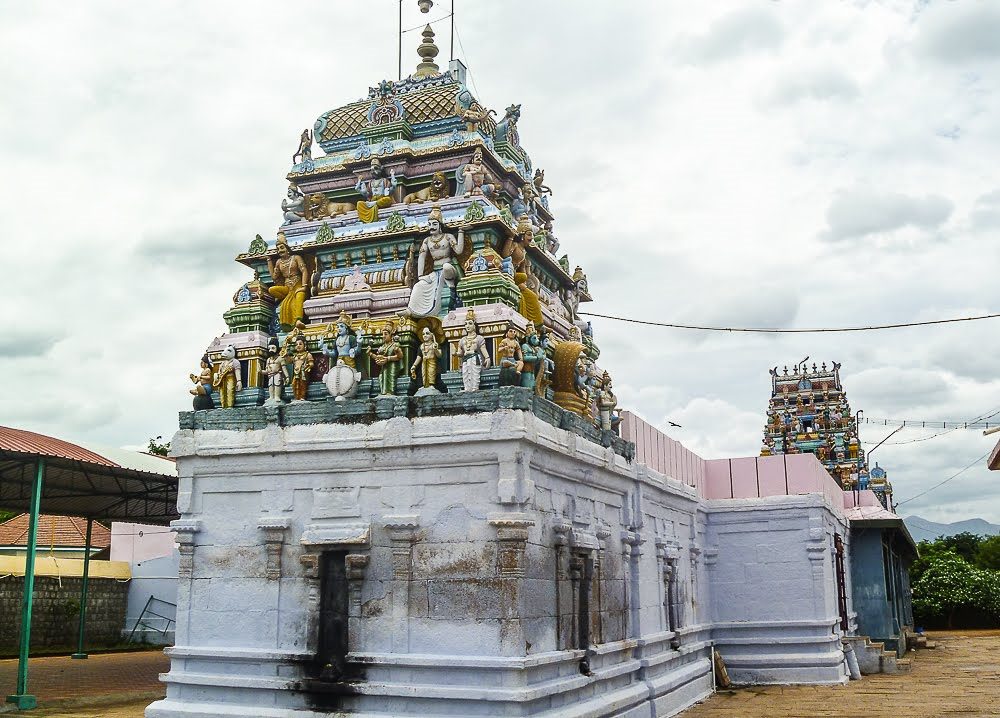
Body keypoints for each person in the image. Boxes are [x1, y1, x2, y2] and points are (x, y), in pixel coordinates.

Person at [405, 205, 465, 317]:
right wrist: (420, 276)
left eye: (434, 224)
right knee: (418, 286)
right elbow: (422, 257)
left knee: (446, 267)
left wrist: (461, 232)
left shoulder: (448, 237)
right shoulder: (427, 241)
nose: (431, 227)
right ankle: (411, 310)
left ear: (440, 225)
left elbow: (459, 251)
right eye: (429, 224)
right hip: (434, 273)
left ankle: (451, 285)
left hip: (448, 270)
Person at [266, 233, 309, 330]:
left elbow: (304, 271)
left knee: (299, 295)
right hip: (287, 288)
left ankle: (298, 320)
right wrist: (269, 261)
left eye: (282, 247)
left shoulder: (296, 258)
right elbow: (274, 277)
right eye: (278, 249)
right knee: (272, 290)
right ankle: (287, 298)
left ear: (287, 248)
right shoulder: (278, 262)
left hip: (298, 285)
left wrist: (304, 286)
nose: (280, 250)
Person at [355, 158, 398, 223]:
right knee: (359, 204)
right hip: (372, 200)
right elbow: (367, 194)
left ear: (381, 169)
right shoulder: (370, 183)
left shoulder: (384, 180)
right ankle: (372, 204)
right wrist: (360, 189)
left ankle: (374, 204)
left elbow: (390, 190)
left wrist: (392, 176)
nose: (373, 171)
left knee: (387, 199)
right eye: (371, 170)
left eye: (375, 169)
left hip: (381, 199)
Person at [458, 310, 490, 391]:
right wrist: (456, 353)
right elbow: (460, 353)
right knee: (465, 374)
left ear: (474, 325)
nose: (467, 326)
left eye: (470, 323)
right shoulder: (462, 340)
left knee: (475, 373)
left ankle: (475, 388)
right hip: (465, 359)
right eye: (466, 324)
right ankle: (467, 388)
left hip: (474, 358)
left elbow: (483, 349)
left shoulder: (479, 338)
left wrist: (487, 358)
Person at [371, 322, 403, 396]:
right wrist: (372, 355)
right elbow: (378, 356)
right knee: (382, 377)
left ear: (391, 335)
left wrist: (388, 358)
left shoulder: (395, 345)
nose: (383, 336)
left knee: (390, 377)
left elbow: (400, 356)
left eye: (386, 334)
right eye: (383, 334)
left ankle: (390, 392)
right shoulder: (383, 346)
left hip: (392, 366)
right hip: (384, 367)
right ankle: (383, 392)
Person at [410, 326, 442, 393]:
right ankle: (425, 385)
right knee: (424, 374)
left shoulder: (435, 344)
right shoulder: (421, 346)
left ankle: (431, 384)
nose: (425, 335)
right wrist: (414, 366)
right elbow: (419, 357)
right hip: (424, 362)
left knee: (431, 372)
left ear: (432, 335)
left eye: (427, 333)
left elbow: (439, 355)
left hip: (432, 362)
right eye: (423, 334)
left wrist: (435, 349)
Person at [290, 337, 313, 401]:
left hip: (303, 372)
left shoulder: (307, 354)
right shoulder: (295, 356)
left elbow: (311, 363)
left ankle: (302, 397)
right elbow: (289, 361)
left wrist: (308, 367)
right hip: (296, 372)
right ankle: (297, 397)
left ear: (305, 345)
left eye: (300, 344)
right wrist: (286, 355)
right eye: (296, 344)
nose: (298, 346)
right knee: (294, 384)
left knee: (303, 384)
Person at [262, 339, 285, 405]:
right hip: (270, 375)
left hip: (278, 374)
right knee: (271, 385)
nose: (270, 350)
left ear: (277, 348)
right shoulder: (268, 360)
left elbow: (284, 368)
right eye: (269, 348)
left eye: (273, 348)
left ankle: (277, 396)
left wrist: (287, 377)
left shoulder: (280, 359)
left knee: (277, 384)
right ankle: (271, 397)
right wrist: (260, 371)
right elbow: (267, 371)